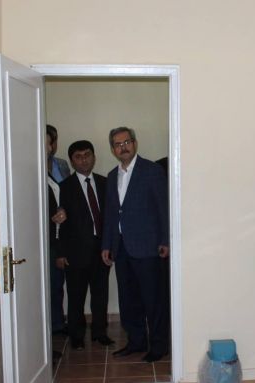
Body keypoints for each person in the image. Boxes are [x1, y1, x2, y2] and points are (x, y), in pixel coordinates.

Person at [101, 127, 169, 363]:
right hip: (121, 249)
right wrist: (107, 245)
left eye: (127, 142)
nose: (123, 147)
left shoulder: (152, 170)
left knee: (153, 300)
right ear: (113, 150)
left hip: (148, 247)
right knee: (128, 300)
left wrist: (165, 240)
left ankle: (159, 346)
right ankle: (137, 341)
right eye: (118, 144)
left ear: (135, 143)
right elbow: (111, 214)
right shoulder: (112, 176)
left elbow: (163, 208)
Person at [56, 140, 113, 350]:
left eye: (87, 155)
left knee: (101, 294)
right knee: (76, 296)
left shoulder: (105, 183)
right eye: (78, 157)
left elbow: (111, 217)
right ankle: (77, 335)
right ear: (72, 161)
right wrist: (60, 253)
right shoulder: (64, 187)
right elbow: (59, 224)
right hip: (75, 252)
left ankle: (100, 332)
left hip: (102, 250)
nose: (84, 160)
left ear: (94, 157)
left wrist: (111, 246)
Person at [46, 132, 68, 355]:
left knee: (56, 282)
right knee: (45, 286)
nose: (46, 147)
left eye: (49, 142)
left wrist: (63, 210)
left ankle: (57, 323)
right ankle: (47, 332)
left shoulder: (60, 166)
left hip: (60, 233)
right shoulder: (27, 167)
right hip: (40, 236)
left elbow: (66, 193)